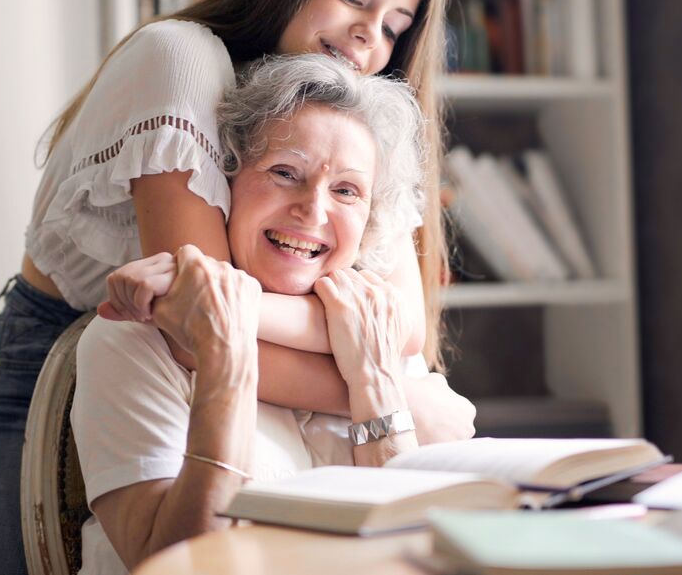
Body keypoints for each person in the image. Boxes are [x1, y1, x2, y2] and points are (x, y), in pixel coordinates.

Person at [0, 0, 473, 575]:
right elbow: (205, 321)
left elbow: (403, 326)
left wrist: (373, 362)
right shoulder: (179, 59)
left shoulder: (360, 113)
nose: (368, 35)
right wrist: (388, 386)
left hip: (216, 362)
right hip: (78, 347)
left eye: (394, 25)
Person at [74, 55, 437, 574]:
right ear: (227, 181)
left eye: (346, 191)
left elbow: (418, 555)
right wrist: (226, 352)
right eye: (285, 173)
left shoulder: (379, 342)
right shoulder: (133, 343)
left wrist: (377, 381)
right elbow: (174, 565)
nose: (313, 211)